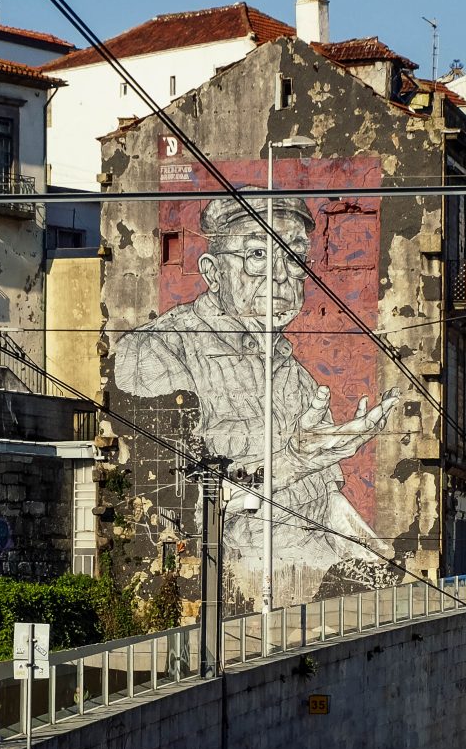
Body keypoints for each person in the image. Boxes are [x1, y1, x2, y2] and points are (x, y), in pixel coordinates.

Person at [114, 192, 398, 580]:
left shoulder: (296, 375)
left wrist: (382, 569)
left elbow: (328, 505)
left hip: (314, 582)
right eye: (258, 255)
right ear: (213, 272)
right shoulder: (156, 351)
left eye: (294, 257)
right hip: (235, 584)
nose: (280, 275)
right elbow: (182, 506)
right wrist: (295, 460)